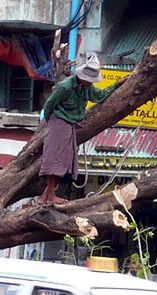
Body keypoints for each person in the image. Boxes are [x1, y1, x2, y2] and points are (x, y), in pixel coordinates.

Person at [39, 53, 127, 205]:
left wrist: (116, 85)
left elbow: (99, 96)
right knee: (56, 159)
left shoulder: (87, 87)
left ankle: (45, 196)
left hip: (70, 123)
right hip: (59, 121)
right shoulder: (65, 86)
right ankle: (51, 196)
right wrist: (51, 123)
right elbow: (49, 105)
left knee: (66, 161)